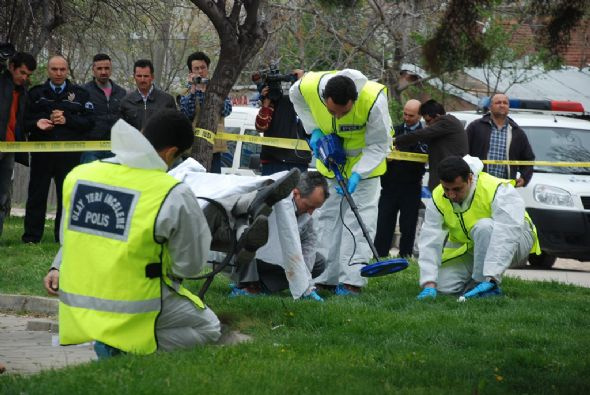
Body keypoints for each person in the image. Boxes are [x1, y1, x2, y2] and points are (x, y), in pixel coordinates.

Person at [43, 109, 298, 357]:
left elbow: (70, 236)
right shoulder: (170, 191)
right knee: (208, 327)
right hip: (131, 302)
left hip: (76, 301)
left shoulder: (79, 176)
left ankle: (242, 214)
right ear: (171, 153)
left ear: (142, 132)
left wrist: (57, 268)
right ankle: (119, 347)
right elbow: (189, 267)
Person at [289, 69, 393, 296]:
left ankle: (352, 282)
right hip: (330, 162)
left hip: (364, 166)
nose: (337, 117)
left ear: (353, 100)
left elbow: (380, 144)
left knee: (359, 222)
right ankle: (325, 277)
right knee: (327, 218)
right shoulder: (308, 86)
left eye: (343, 112)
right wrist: (313, 128)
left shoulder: (374, 101)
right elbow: (294, 97)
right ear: (324, 97)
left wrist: (358, 173)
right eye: (332, 112)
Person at [415, 155, 541, 301]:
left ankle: (484, 284)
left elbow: (507, 232)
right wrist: (429, 283)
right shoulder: (437, 196)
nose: (451, 195)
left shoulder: (497, 189)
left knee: (484, 227)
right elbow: (430, 238)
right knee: (444, 286)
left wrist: (491, 278)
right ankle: (475, 281)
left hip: (518, 241)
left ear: (469, 178)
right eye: (446, 189)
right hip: (473, 245)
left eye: (457, 189)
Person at [22, 55, 94, 244]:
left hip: (69, 155)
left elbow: (89, 123)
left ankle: (63, 237)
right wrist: (38, 123)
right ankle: (31, 237)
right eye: (54, 69)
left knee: (67, 197)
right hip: (42, 154)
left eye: (62, 69)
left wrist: (67, 120)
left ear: (67, 70)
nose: (59, 73)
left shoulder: (80, 94)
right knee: (37, 195)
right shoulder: (36, 93)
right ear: (48, 70)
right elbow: (24, 121)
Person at [232, 171, 329, 300]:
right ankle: (247, 285)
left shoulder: (310, 216)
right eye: (309, 206)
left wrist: (306, 285)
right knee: (251, 236)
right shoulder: (274, 199)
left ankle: (262, 286)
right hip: (253, 257)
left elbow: (309, 249)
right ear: (295, 193)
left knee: (319, 262)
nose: (311, 212)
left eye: (316, 208)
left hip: (280, 260)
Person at [374, 99, 427, 258]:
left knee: (408, 225)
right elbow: (380, 150)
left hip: (411, 186)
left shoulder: (424, 135)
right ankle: (380, 256)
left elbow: (424, 154)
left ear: (419, 116)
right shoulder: (393, 131)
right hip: (389, 185)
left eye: (411, 115)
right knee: (384, 223)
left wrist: (402, 151)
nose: (406, 117)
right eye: (405, 114)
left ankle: (405, 257)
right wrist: (386, 158)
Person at [393, 99, 468, 191]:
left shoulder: (446, 122)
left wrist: (395, 140)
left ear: (437, 116)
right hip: (443, 176)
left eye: (428, 121)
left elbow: (421, 134)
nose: (427, 125)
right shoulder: (445, 126)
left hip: (450, 177)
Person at [0, 51, 36, 238]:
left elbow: (23, 121)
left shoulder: (23, 92)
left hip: (10, 150)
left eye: (28, 75)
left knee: (2, 198)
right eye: (22, 72)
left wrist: (37, 124)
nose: (24, 77)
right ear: (11, 67)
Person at [179, 51, 232, 173]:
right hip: (192, 150)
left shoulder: (219, 90)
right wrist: (193, 89)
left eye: (203, 68)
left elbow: (227, 110)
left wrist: (205, 91)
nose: (200, 71)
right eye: (196, 68)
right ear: (190, 72)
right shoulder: (185, 93)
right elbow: (187, 114)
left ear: (208, 69)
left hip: (214, 148)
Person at [466, 93, 535, 187]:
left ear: (508, 107)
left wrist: (524, 178)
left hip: (504, 186)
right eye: (498, 102)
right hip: (478, 184)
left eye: (505, 103)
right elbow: (463, 153)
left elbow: (528, 158)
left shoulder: (517, 132)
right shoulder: (475, 127)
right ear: (491, 106)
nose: (502, 105)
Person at [254, 69, 311, 175]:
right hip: (272, 162)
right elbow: (260, 126)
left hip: (298, 161)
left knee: (298, 191)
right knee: (271, 192)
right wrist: (266, 103)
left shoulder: (305, 103)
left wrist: (302, 80)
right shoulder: (272, 101)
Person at [81, 53, 127, 163]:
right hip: (91, 148)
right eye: (99, 68)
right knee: (90, 179)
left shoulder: (121, 92)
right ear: (93, 70)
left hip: (115, 148)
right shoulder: (83, 91)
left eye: (107, 68)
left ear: (111, 70)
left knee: (113, 180)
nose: (103, 72)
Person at [119, 59, 176, 131]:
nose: (142, 80)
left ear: (152, 77)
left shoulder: (167, 100)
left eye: (146, 76)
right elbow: (122, 131)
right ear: (134, 77)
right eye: (139, 76)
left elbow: (174, 128)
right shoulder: (126, 102)